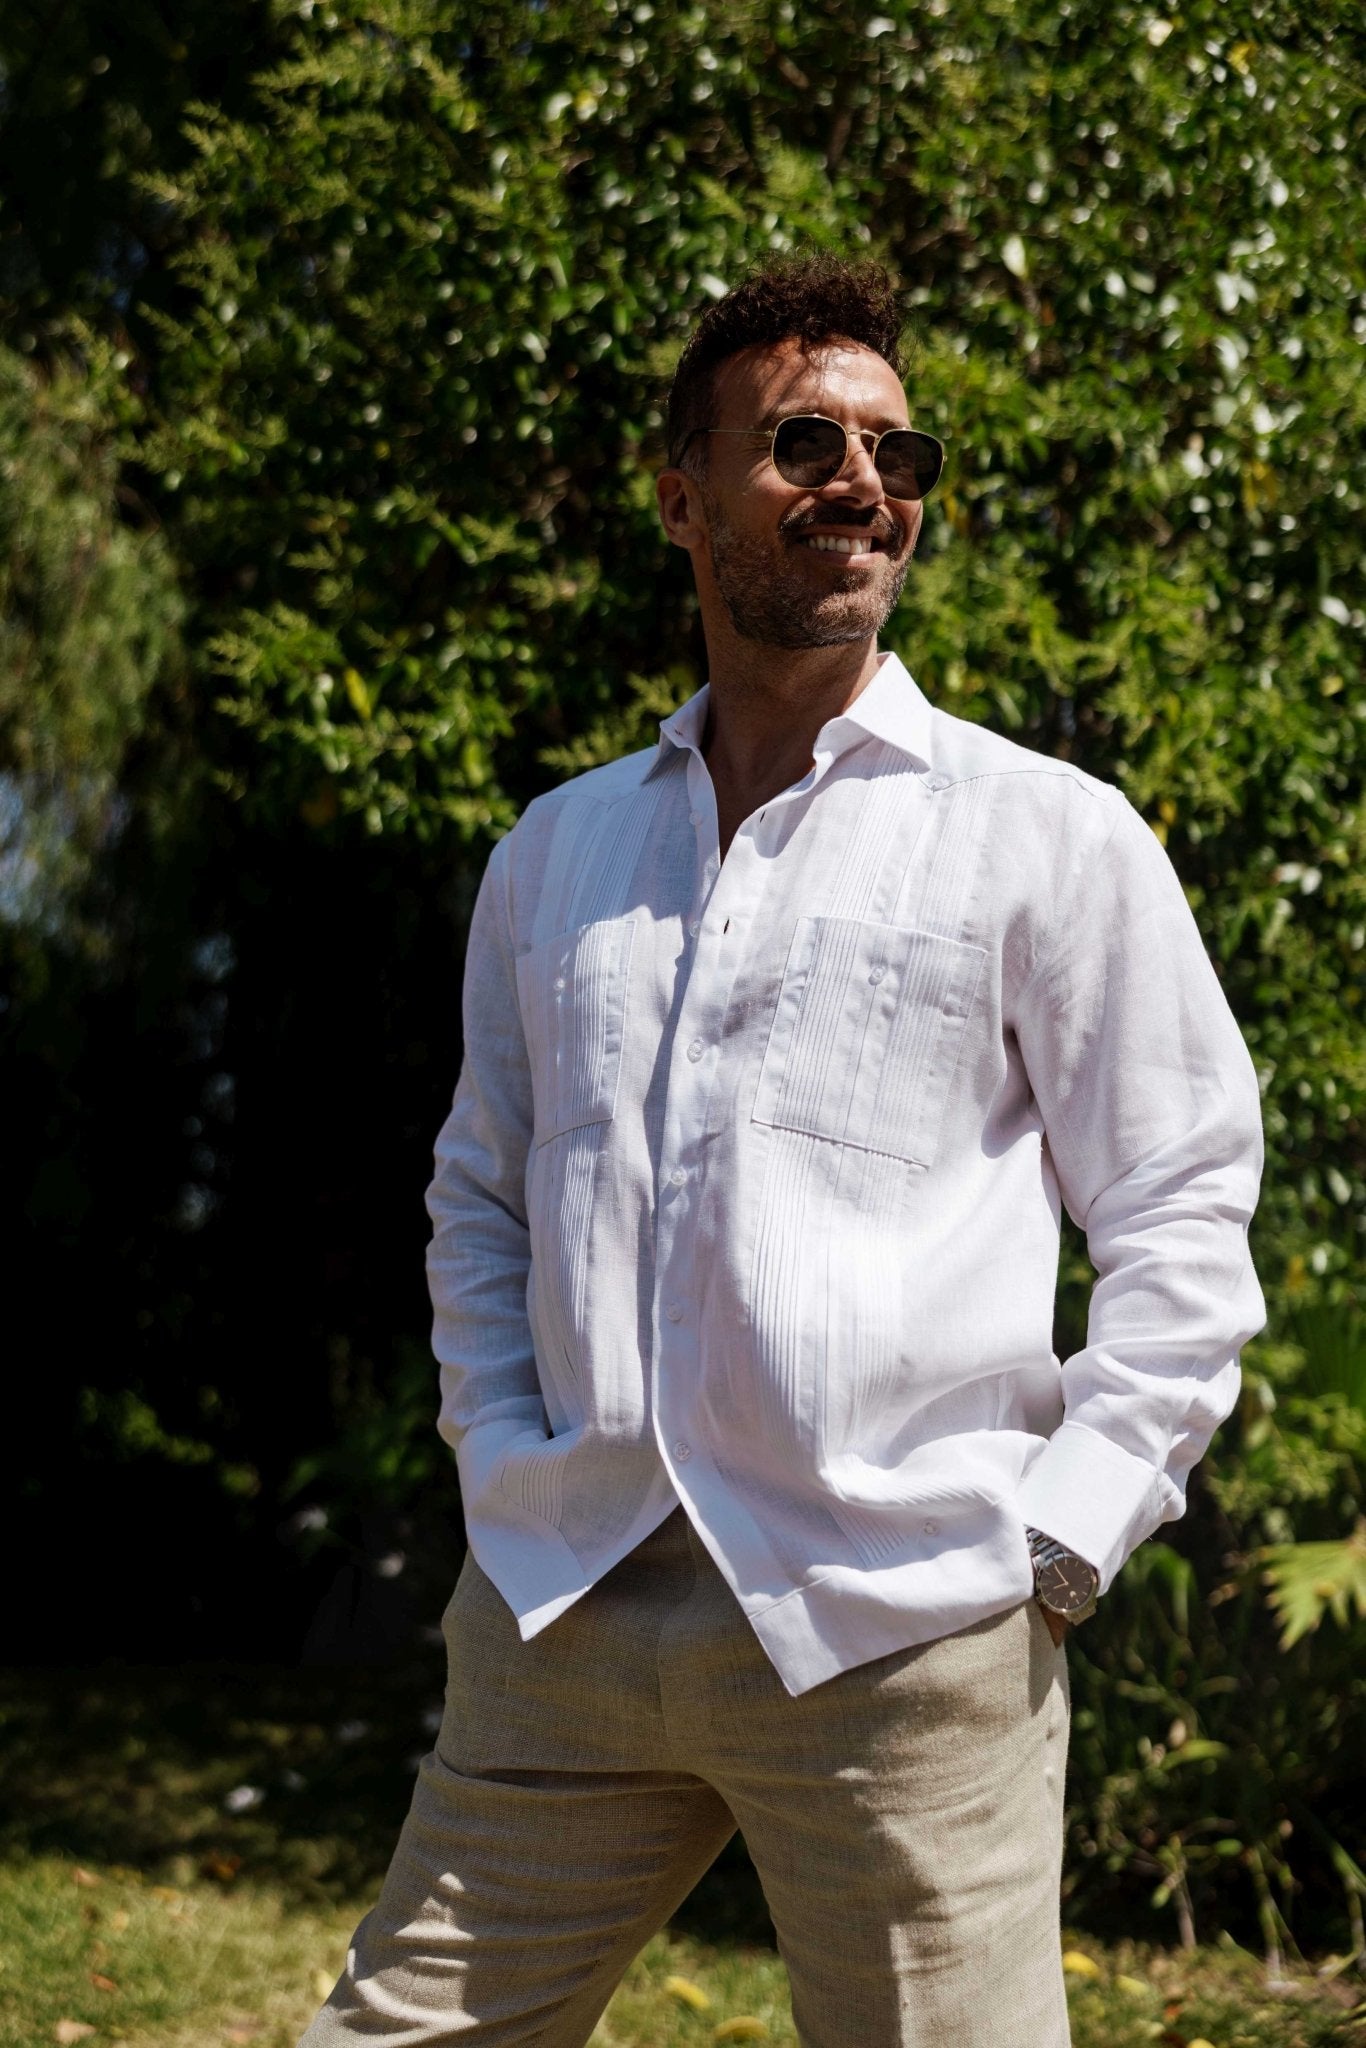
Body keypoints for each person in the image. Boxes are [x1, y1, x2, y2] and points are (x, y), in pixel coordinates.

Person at [300, 254, 1265, 2047]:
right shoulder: (556, 854)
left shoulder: (1044, 837)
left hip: (903, 1628)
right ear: (680, 494)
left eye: (898, 457)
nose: (862, 487)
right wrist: (496, 1450)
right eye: (803, 441)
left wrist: (1056, 1544)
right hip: (562, 1616)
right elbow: (480, 1195)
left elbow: (1182, 1210)